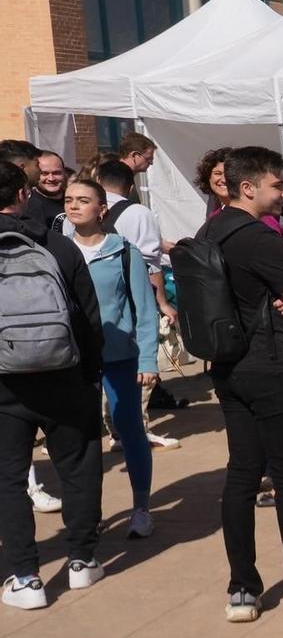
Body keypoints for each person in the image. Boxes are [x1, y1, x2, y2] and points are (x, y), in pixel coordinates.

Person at [195, 145, 283, 625]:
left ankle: (242, 590)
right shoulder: (258, 237)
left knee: (241, 474)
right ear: (248, 187)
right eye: (277, 185)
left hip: (228, 366)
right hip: (273, 368)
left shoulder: (210, 228)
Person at [0, 159, 105, 610]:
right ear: (23, 195)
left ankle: (25, 576)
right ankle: (82, 561)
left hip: (4, 387)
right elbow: (89, 316)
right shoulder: (59, 246)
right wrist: (90, 373)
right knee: (78, 469)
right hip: (66, 376)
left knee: (7, 481)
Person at [62, 176, 158, 539]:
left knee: (129, 429)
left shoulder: (123, 250)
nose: (73, 205)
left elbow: (143, 309)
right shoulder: (59, 250)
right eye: (69, 200)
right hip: (73, 360)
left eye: (83, 200)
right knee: (83, 437)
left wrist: (148, 360)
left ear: (102, 208)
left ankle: (141, 507)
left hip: (119, 356)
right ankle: (90, 512)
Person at [86, 159, 180, 444]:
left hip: (96, 308)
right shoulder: (139, 212)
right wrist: (162, 303)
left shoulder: (74, 221)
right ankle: (134, 429)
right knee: (137, 372)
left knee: (107, 375)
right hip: (131, 304)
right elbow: (151, 265)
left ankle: (115, 429)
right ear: (130, 185)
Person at [1, 142, 60, 243]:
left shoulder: (36, 200)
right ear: (21, 167)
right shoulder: (33, 204)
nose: (40, 170)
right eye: (37, 165)